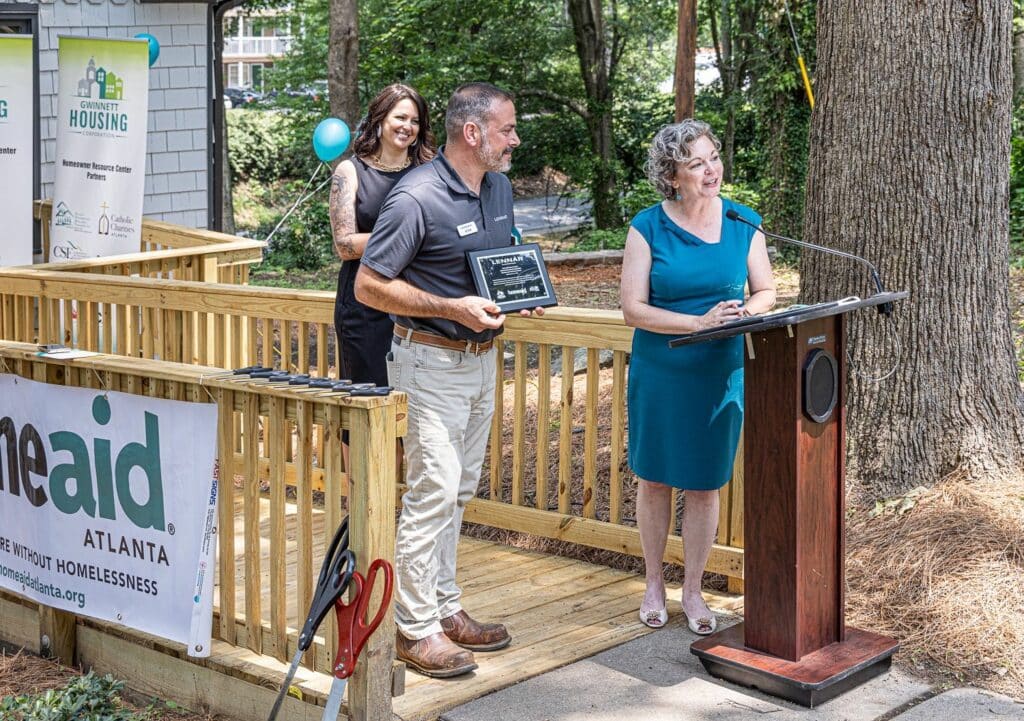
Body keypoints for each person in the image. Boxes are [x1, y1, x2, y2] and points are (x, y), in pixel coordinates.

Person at [355, 82, 544, 678]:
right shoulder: (415, 197)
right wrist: (453, 307)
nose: (515, 139)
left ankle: (445, 607)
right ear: (473, 133)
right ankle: (414, 630)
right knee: (432, 491)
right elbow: (368, 284)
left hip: (482, 362)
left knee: (459, 490)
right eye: (507, 129)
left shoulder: (500, 188)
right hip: (428, 360)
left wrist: (520, 291)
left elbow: (495, 260)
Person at [620, 120, 776, 635]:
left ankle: (692, 590)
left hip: (720, 370)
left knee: (705, 486)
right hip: (662, 369)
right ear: (672, 176)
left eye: (713, 158)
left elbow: (766, 292)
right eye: (696, 163)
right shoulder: (647, 226)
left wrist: (750, 312)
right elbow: (632, 309)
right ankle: (650, 584)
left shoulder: (743, 219)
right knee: (655, 480)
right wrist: (697, 323)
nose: (712, 170)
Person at [330, 83, 436, 392]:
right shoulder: (350, 172)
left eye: (415, 121)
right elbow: (345, 244)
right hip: (364, 305)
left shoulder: (429, 172)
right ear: (379, 119)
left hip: (419, 303)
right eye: (400, 118)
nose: (408, 127)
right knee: (365, 405)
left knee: (413, 409)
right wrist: (400, 236)